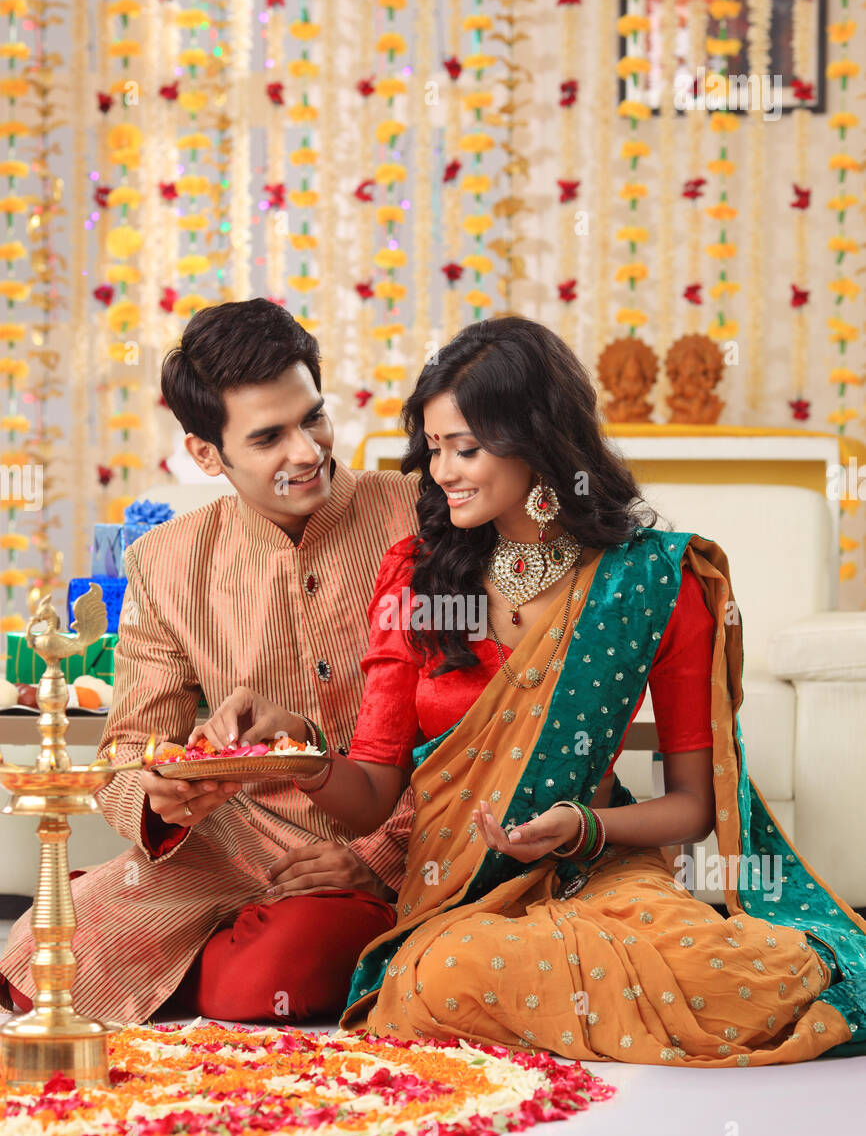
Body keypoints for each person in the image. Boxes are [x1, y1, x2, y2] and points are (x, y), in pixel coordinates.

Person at [206, 315, 866, 1066]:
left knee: (738, 974)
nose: (443, 472)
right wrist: (301, 757)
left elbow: (696, 807)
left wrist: (583, 827)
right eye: (434, 449)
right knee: (438, 979)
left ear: (539, 440)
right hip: (457, 888)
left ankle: (589, 990)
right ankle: (592, 997)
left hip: (602, 868)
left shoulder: (652, 580)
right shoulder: (416, 577)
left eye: (467, 449)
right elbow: (373, 793)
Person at [0, 298, 419, 1024]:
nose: (307, 451)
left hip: (389, 840)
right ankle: (201, 935)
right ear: (206, 453)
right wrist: (157, 796)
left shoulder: (422, 516)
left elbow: (480, 731)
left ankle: (225, 954)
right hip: (227, 847)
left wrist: (380, 856)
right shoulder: (165, 562)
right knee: (37, 961)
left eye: (313, 417)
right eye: (268, 437)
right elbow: (128, 748)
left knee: (264, 980)